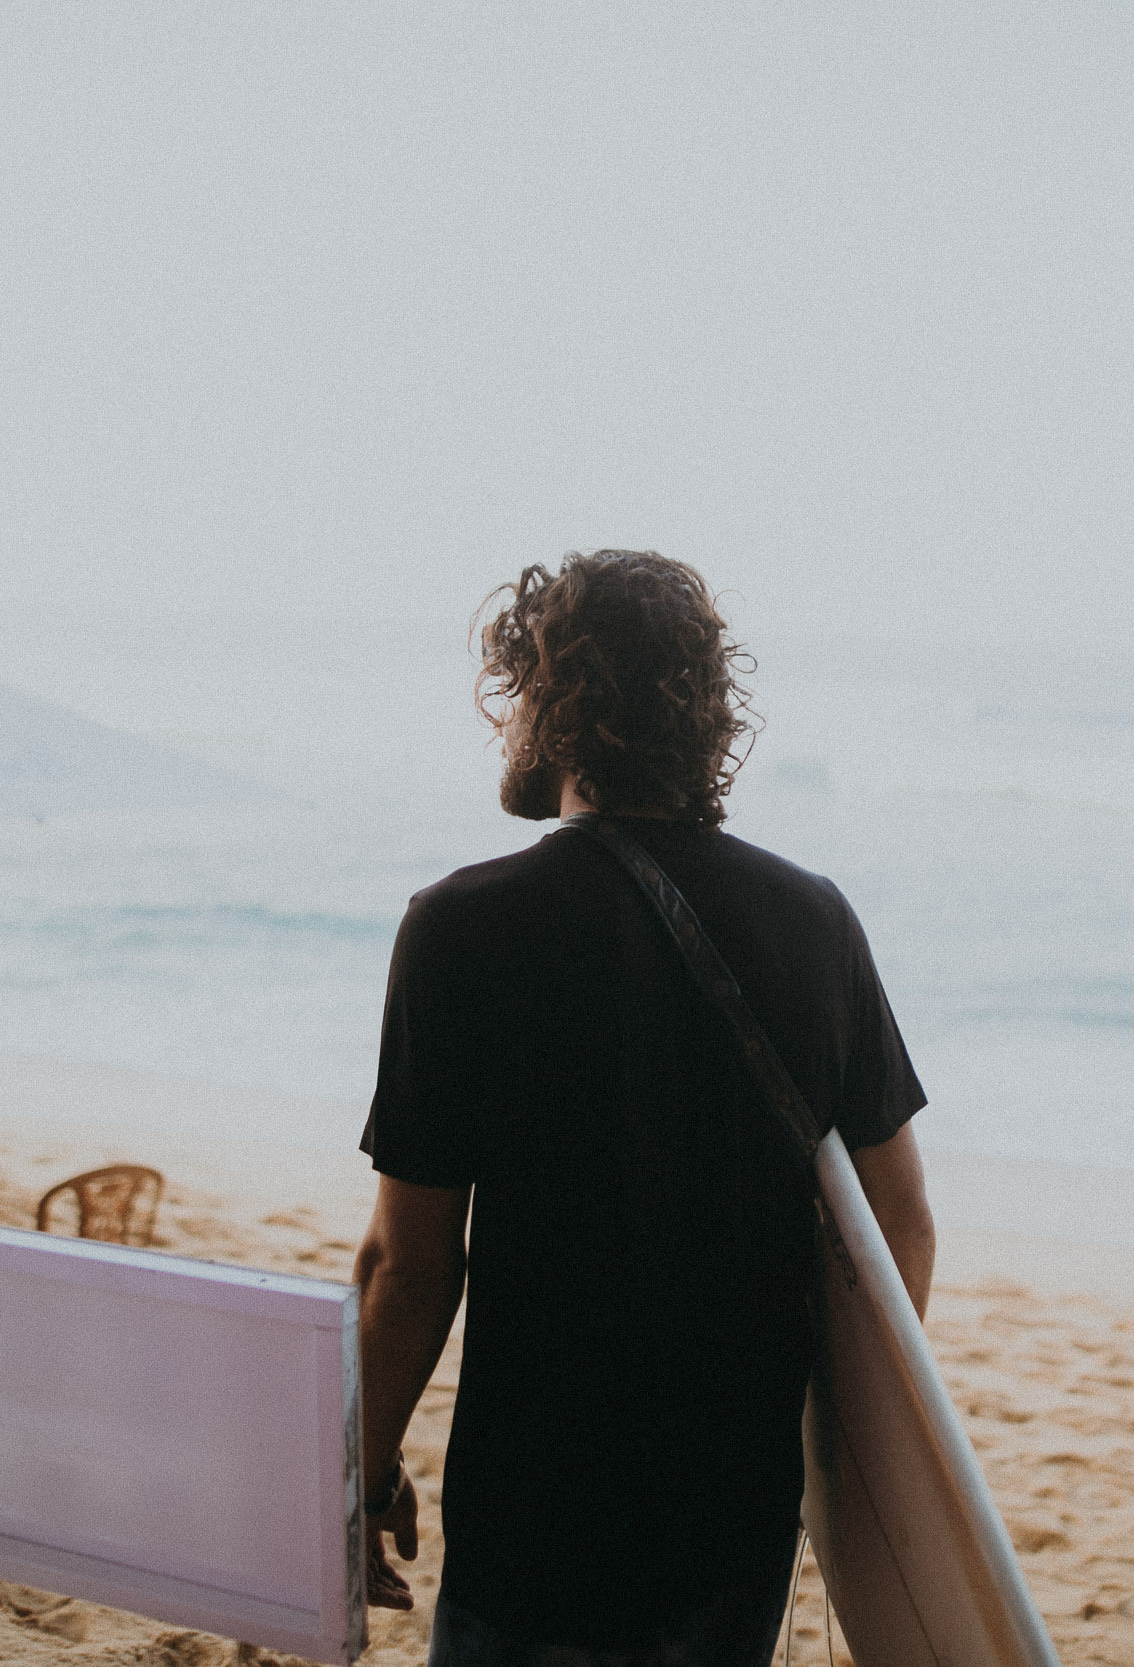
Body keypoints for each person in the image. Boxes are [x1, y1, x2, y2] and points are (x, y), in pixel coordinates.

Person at [351, 550, 936, 1667]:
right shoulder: (816, 922)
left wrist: (363, 1473)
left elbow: (410, 1267)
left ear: (554, 703)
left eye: (518, 690)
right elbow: (899, 1224)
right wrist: (842, 1469)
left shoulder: (462, 926)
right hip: (731, 1529)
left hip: (534, 1526)